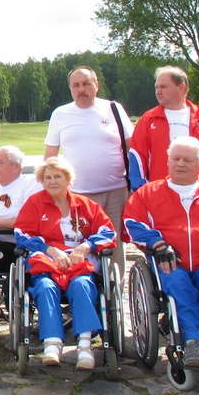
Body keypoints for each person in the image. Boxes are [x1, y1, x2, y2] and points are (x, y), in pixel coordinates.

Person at [123, 136, 199, 366]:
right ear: (167, 162)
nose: (180, 164)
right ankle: (193, 342)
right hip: (170, 262)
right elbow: (133, 223)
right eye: (175, 159)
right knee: (177, 282)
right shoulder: (148, 193)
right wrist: (157, 244)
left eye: (187, 160)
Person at [15, 156, 116, 370]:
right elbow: (22, 234)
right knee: (44, 287)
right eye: (47, 177)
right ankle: (52, 344)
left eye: (57, 176)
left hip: (79, 263)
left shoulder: (86, 205)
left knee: (83, 286)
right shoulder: (35, 203)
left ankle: (85, 345)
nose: (52, 181)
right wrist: (50, 249)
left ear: (68, 179)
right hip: (48, 263)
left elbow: (108, 232)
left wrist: (86, 247)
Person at [44, 66, 132, 270]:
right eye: (76, 85)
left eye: (86, 84)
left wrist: (134, 185)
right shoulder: (60, 114)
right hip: (77, 195)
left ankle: (115, 294)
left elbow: (132, 149)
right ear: (70, 89)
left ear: (96, 85)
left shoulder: (114, 109)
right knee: (79, 246)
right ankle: (88, 288)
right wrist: (49, 189)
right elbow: (50, 156)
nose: (81, 89)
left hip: (115, 192)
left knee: (115, 245)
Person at [129, 66, 199, 189]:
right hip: (161, 194)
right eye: (157, 87)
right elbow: (137, 155)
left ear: (181, 87)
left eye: (163, 87)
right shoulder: (148, 120)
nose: (158, 92)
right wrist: (139, 188)